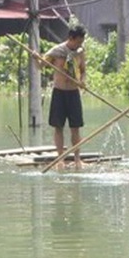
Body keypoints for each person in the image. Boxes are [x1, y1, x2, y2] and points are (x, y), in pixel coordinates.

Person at [45, 25, 87, 170]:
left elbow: (83, 71)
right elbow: (41, 64)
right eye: (77, 42)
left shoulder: (80, 52)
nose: (79, 45)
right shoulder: (57, 51)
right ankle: (60, 158)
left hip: (73, 93)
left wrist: (82, 81)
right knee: (58, 127)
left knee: (75, 127)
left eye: (81, 42)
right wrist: (35, 57)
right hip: (59, 92)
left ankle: (77, 159)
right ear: (70, 38)